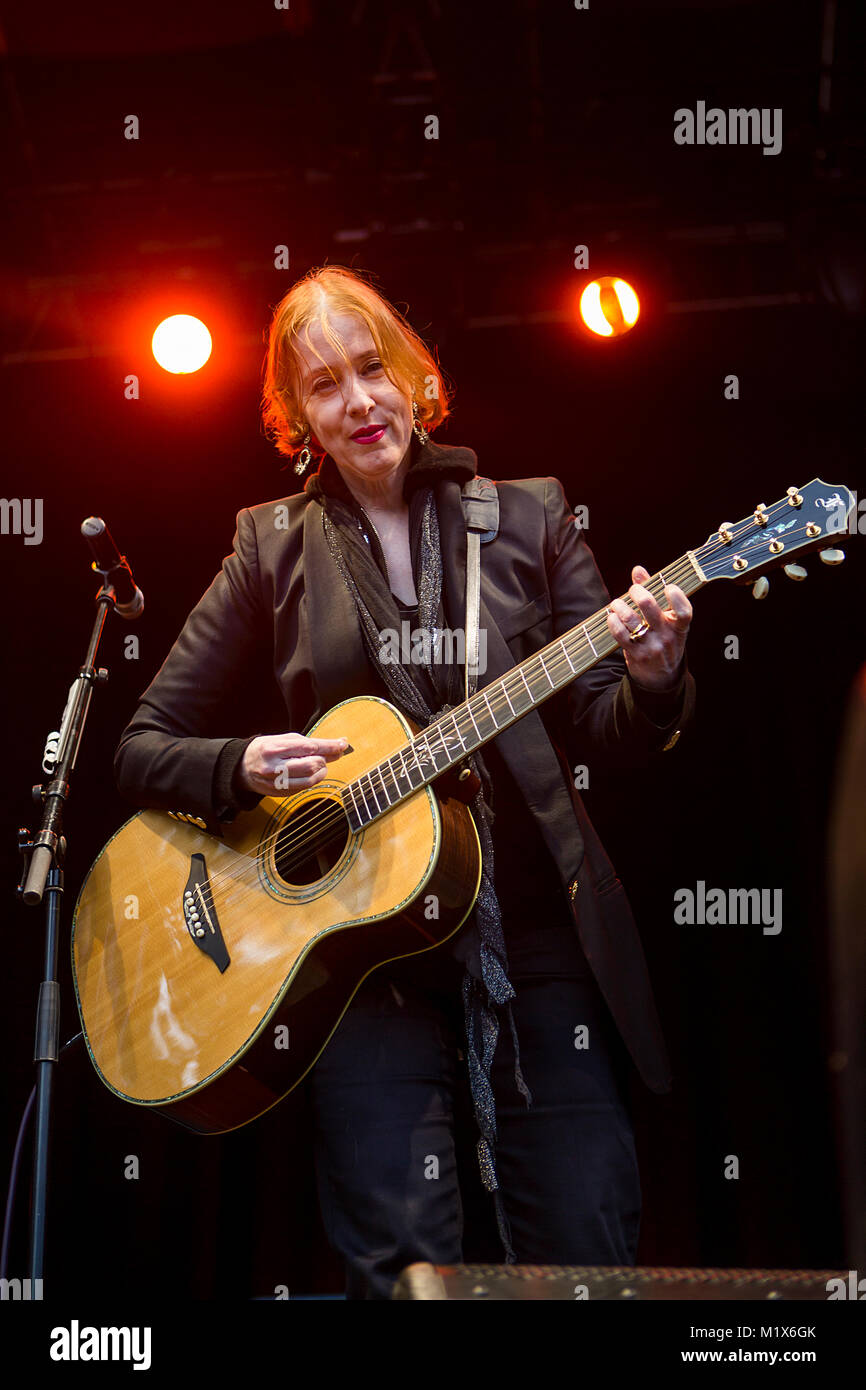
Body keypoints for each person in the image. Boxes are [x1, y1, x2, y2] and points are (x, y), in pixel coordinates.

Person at [114, 264, 695, 1300]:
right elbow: (144, 742)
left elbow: (607, 727)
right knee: (397, 1271)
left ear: (416, 377)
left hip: (538, 936)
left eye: (371, 369)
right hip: (361, 963)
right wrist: (239, 764)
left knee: (585, 1258)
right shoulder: (270, 544)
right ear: (295, 417)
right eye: (324, 385)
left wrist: (652, 679)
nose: (357, 401)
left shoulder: (526, 518)